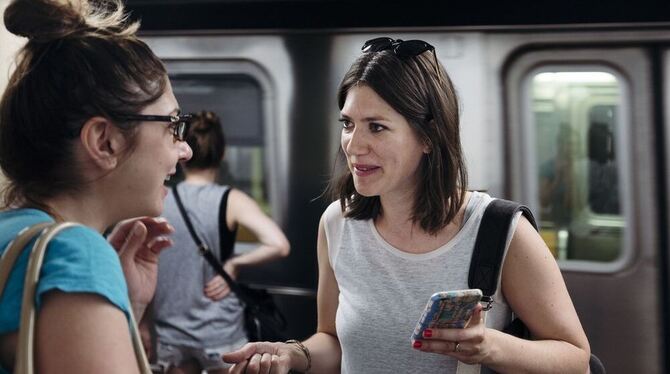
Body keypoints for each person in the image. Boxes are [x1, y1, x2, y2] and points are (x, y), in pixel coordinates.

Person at [223, 37, 591, 373]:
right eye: (348, 124)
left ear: (428, 137)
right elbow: (333, 340)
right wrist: (293, 354)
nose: (353, 145)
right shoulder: (337, 224)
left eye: (376, 127)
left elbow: (575, 358)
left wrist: (490, 346)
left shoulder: (499, 232)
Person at [0, 0, 193, 372]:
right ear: (105, 142)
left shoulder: (10, 232)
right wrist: (92, 276)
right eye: (173, 125)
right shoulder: (75, 253)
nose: (184, 149)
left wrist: (124, 306)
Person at [147, 110, 290, 374]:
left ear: (184, 155)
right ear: (222, 155)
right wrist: (234, 265)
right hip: (221, 334)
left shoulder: (159, 198)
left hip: (170, 333)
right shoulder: (231, 199)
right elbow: (279, 244)